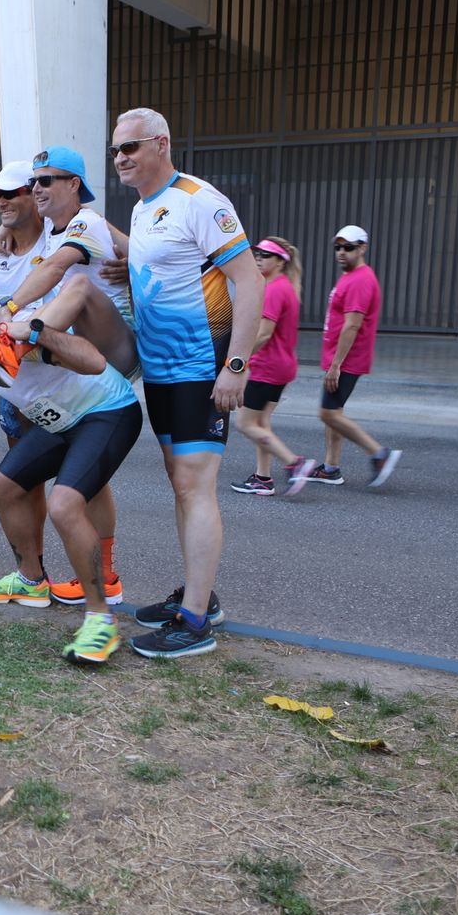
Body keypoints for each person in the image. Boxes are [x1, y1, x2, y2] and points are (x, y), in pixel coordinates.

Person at [112, 108, 263, 658]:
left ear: (162, 144)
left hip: (204, 369)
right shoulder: (146, 208)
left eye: (131, 147)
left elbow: (249, 280)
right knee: (181, 484)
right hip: (162, 371)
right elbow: (168, 269)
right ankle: (201, 597)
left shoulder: (201, 200)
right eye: (116, 150)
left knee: (195, 486)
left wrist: (237, 366)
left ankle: (195, 622)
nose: (122, 158)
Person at [0, 147, 135, 608]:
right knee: (52, 477)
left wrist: (15, 321)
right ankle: (50, 576)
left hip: (107, 347)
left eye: (44, 182)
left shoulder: (79, 226)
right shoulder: (29, 236)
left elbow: (61, 267)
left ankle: (12, 348)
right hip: (60, 365)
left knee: (76, 284)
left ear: (73, 184)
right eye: (30, 183)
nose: (35, 190)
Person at [0, 258, 143, 665]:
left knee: (64, 504)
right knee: (4, 484)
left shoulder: (22, 320)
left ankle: (100, 618)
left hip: (107, 410)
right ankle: (30, 580)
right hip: (61, 421)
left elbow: (93, 361)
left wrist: (32, 336)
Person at [305, 224, 401, 487]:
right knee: (335, 411)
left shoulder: (360, 279)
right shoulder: (350, 276)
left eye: (348, 247)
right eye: (338, 247)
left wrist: (336, 365)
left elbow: (353, 325)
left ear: (362, 248)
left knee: (328, 413)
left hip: (347, 359)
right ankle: (331, 468)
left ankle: (379, 454)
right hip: (340, 358)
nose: (341, 252)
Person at [230, 237, 316, 496]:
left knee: (245, 423)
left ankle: (294, 463)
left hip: (268, 366)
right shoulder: (284, 286)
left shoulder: (274, 289)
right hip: (281, 365)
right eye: (256, 254)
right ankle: (263, 479)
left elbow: (264, 334)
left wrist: (238, 361)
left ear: (280, 261)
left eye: (265, 255)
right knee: (261, 422)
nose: (258, 258)